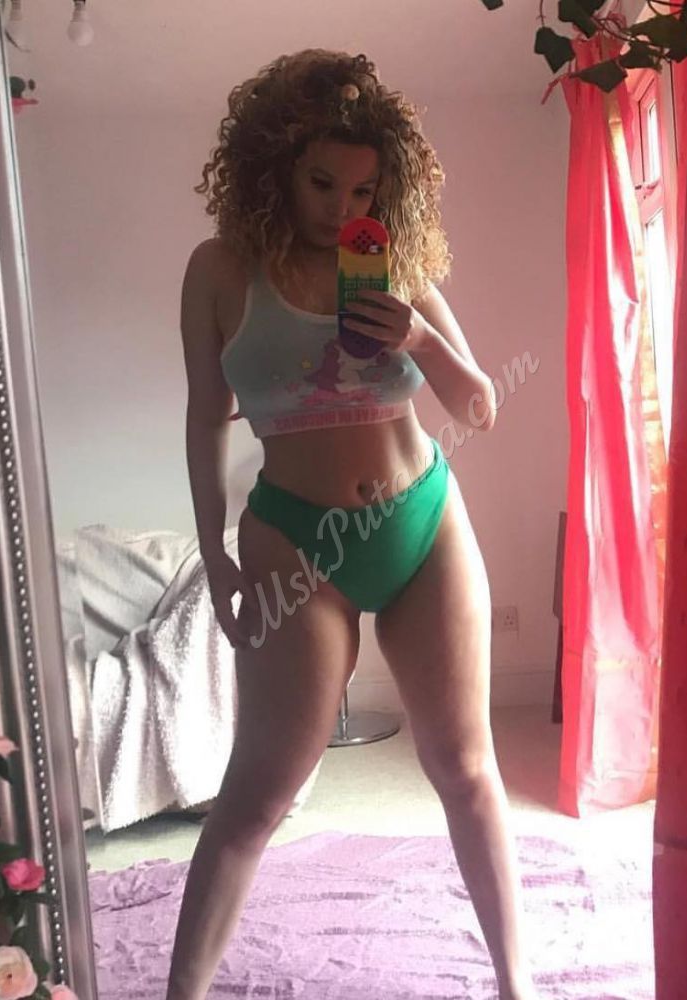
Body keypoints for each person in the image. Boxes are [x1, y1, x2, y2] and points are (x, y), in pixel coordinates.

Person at [167, 48, 540, 1000]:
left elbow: (480, 404)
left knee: (465, 767)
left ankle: (517, 985)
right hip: (294, 539)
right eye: (321, 182)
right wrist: (212, 550)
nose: (342, 207)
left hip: (422, 521)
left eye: (363, 188)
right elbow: (206, 416)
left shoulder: (394, 265)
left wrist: (415, 332)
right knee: (259, 791)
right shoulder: (220, 270)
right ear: (275, 168)